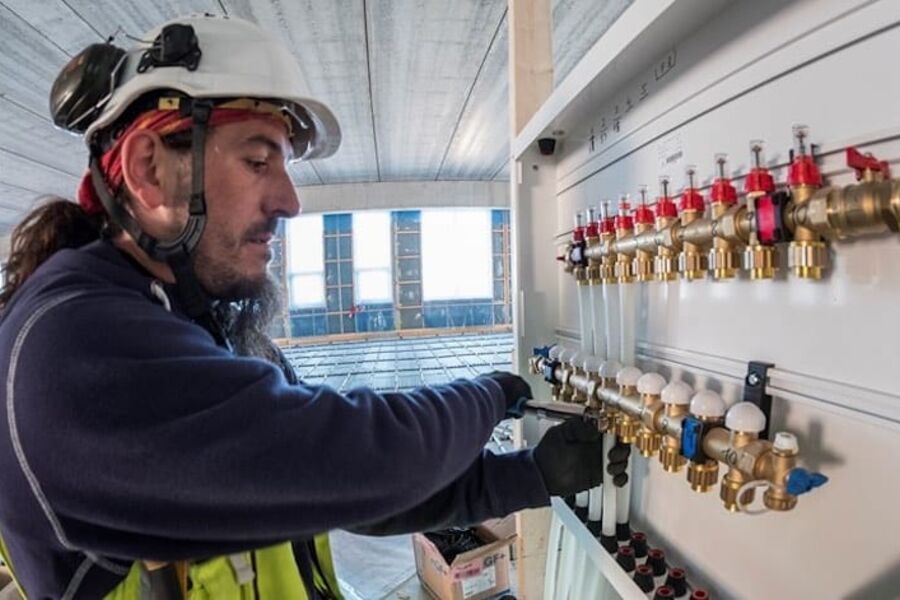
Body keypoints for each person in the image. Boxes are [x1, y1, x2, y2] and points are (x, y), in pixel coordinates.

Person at [0, 15, 622, 599]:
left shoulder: (205, 335)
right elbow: (357, 458)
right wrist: (487, 395)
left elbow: (351, 493)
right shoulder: (66, 346)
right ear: (148, 170)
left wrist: (527, 477)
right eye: (257, 159)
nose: (291, 201)